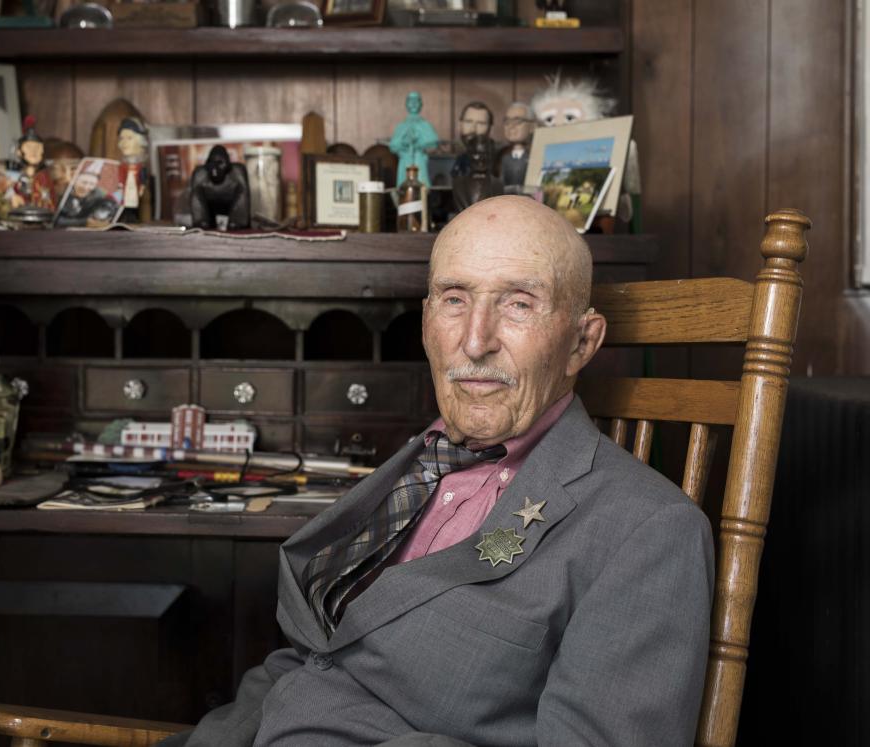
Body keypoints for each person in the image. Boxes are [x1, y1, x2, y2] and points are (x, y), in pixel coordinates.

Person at [168, 196, 714, 747]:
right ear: (428, 321)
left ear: (580, 343)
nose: (475, 342)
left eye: (519, 304)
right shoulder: (423, 461)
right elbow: (314, 655)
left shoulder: (652, 530)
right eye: (455, 300)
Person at [389, 91, 440, 187]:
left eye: (416, 101)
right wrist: (403, 144)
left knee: (421, 187)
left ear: (421, 104)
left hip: (419, 160)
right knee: (404, 189)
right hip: (405, 161)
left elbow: (433, 143)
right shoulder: (401, 126)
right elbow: (393, 146)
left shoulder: (425, 125)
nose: (413, 104)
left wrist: (421, 145)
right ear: (406, 104)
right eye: (410, 101)